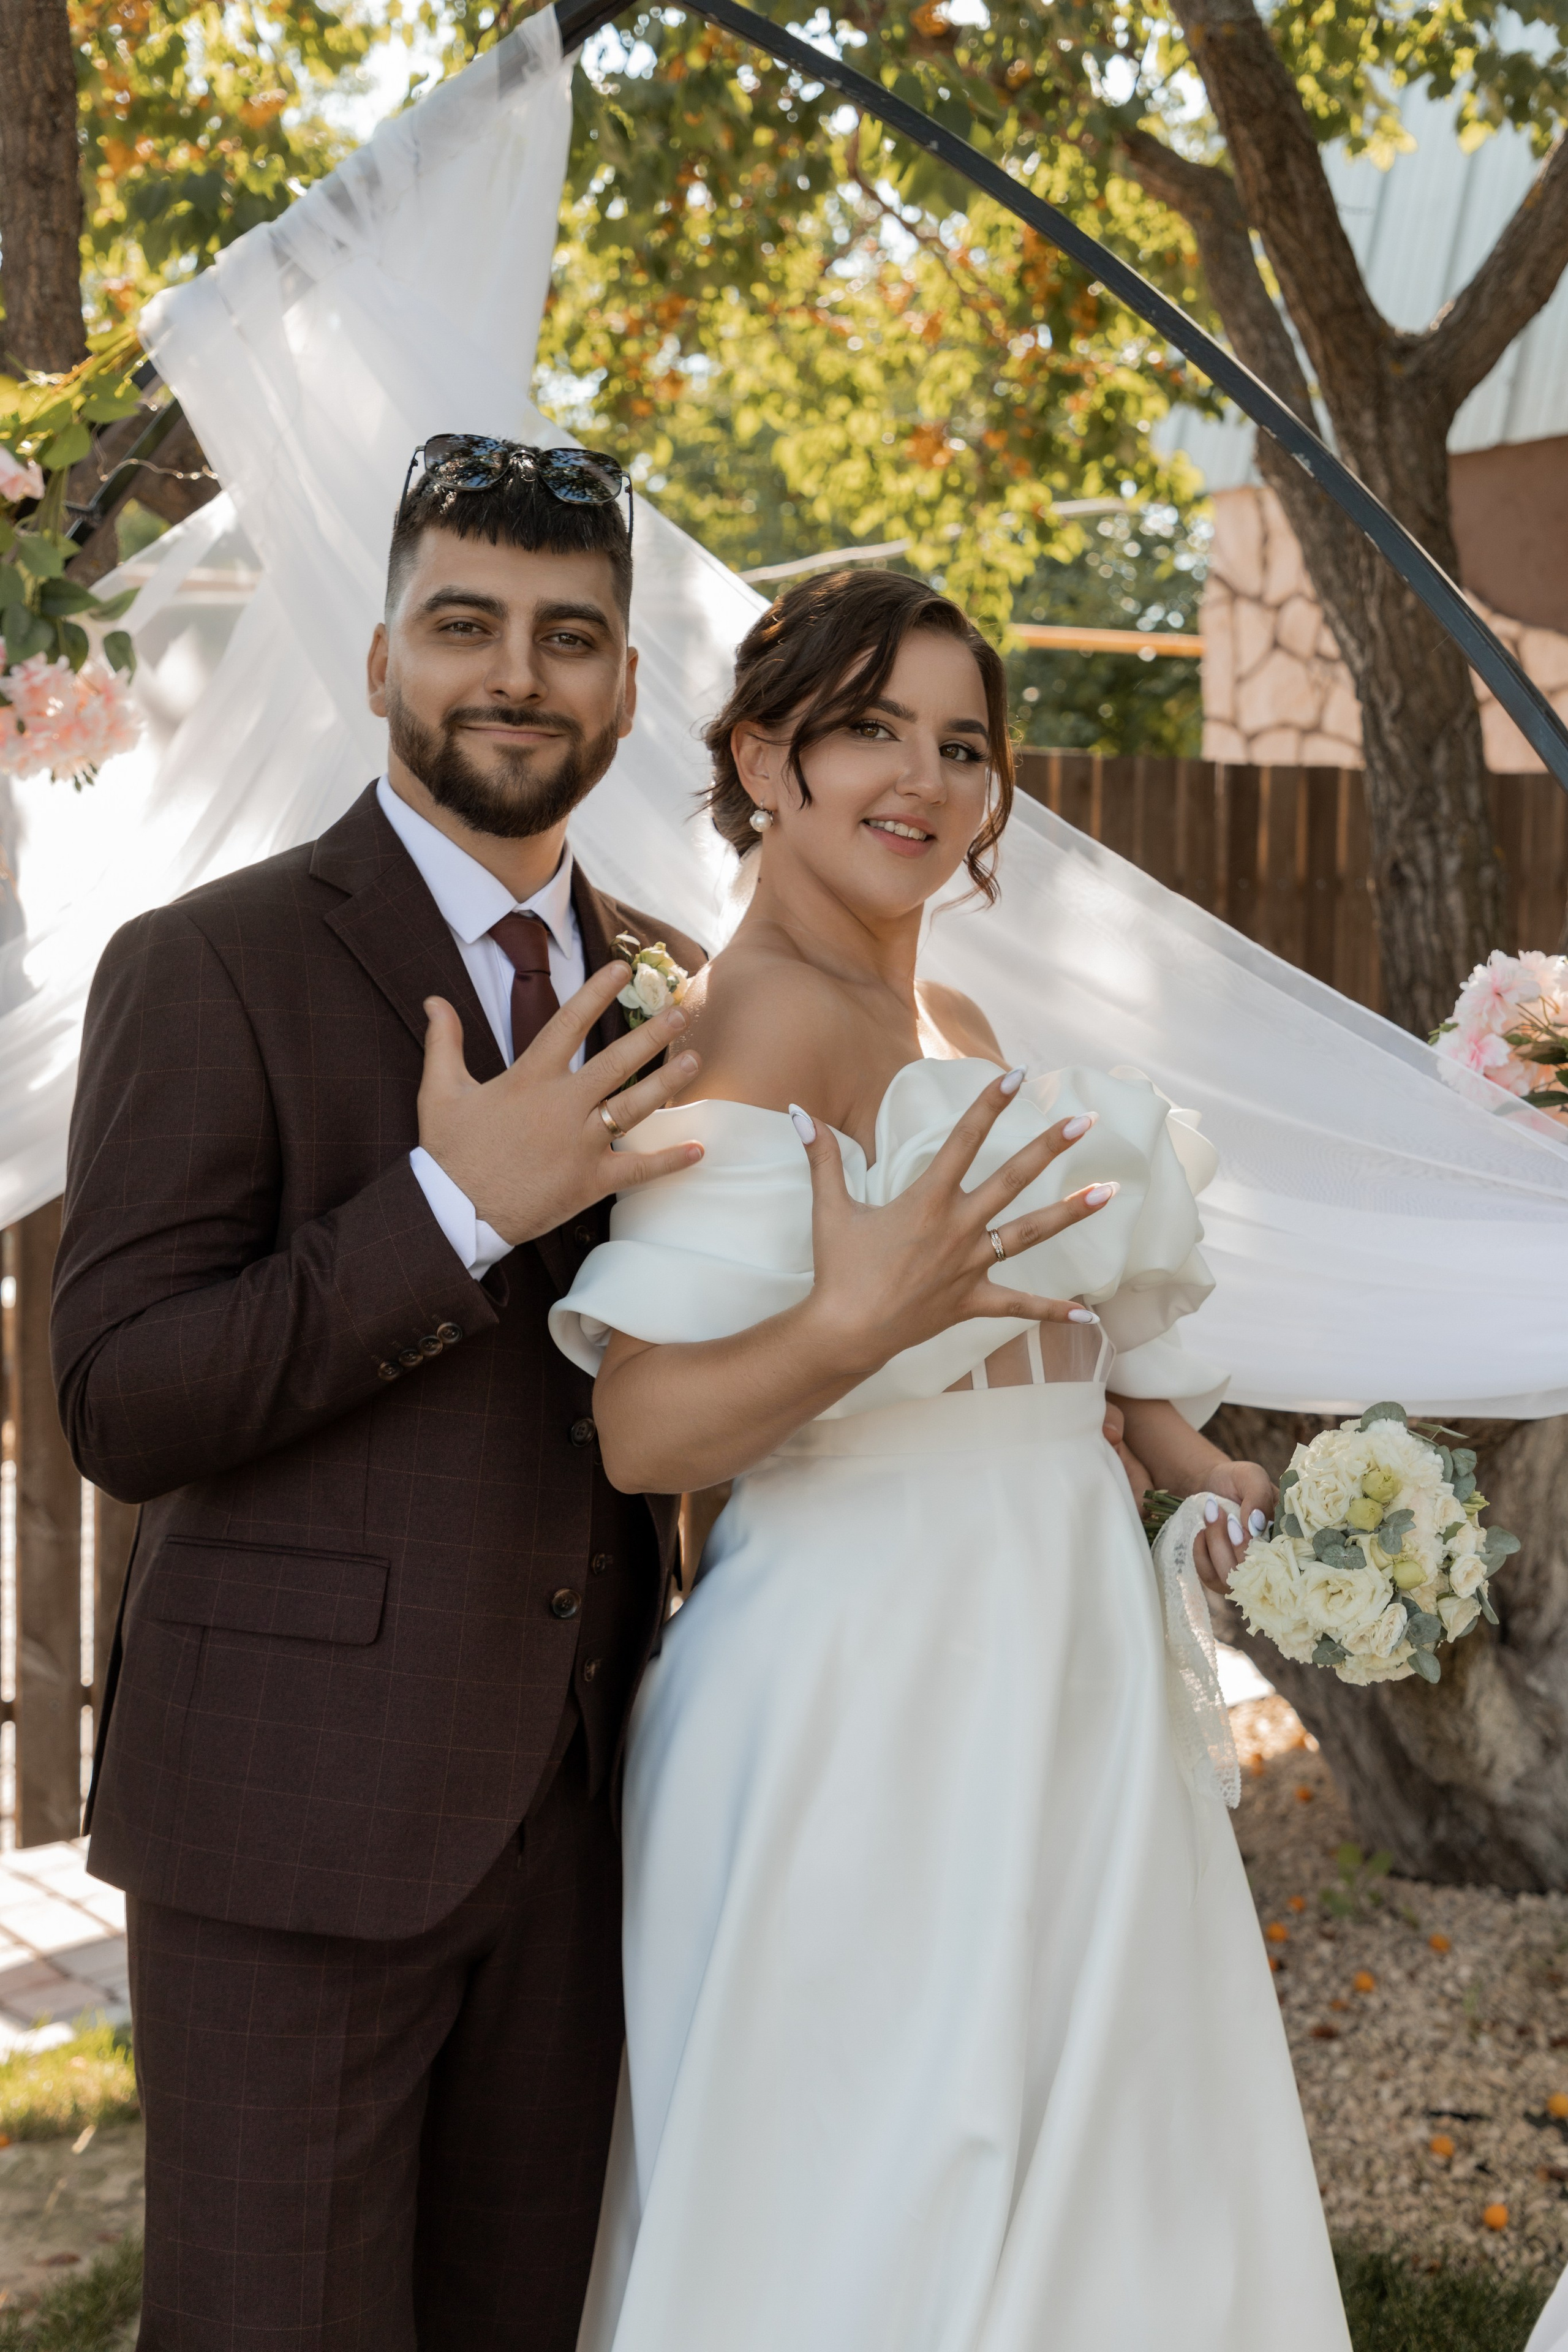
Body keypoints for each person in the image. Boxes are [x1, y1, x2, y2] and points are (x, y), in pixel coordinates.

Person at [551, 568, 1352, 2351]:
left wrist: (1186, 1459)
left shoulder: (961, 1029)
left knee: (1103, 2147)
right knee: (889, 2177)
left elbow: (1039, 1347)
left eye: (963, 745)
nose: (924, 777)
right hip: (872, 1672)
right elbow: (636, 1428)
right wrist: (850, 1326)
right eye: (870, 731)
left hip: (1057, 1650)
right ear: (767, 757)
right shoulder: (745, 1030)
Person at [51, 437, 709, 2351]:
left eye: (569, 636)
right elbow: (121, 1397)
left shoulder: (668, 991)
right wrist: (450, 1211)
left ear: (625, 691)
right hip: (291, 1819)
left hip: (582, 1823)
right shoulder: (210, 966)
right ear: (377, 664)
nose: (517, 672)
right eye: (465, 624)